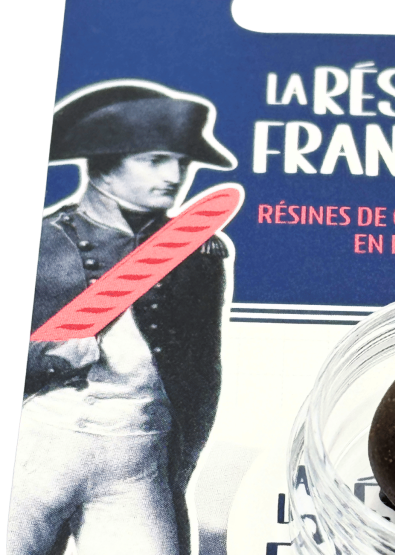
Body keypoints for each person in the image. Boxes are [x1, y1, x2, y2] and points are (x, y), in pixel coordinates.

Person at [7, 81, 238, 555]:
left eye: (182, 163)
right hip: (37, 452)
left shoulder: (199, 256)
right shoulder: (46, 243)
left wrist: (179, 464)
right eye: (155, 160)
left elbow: (202, 372)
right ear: (105, 167)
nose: (175, 176)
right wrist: (50, 358)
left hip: (137, 463)